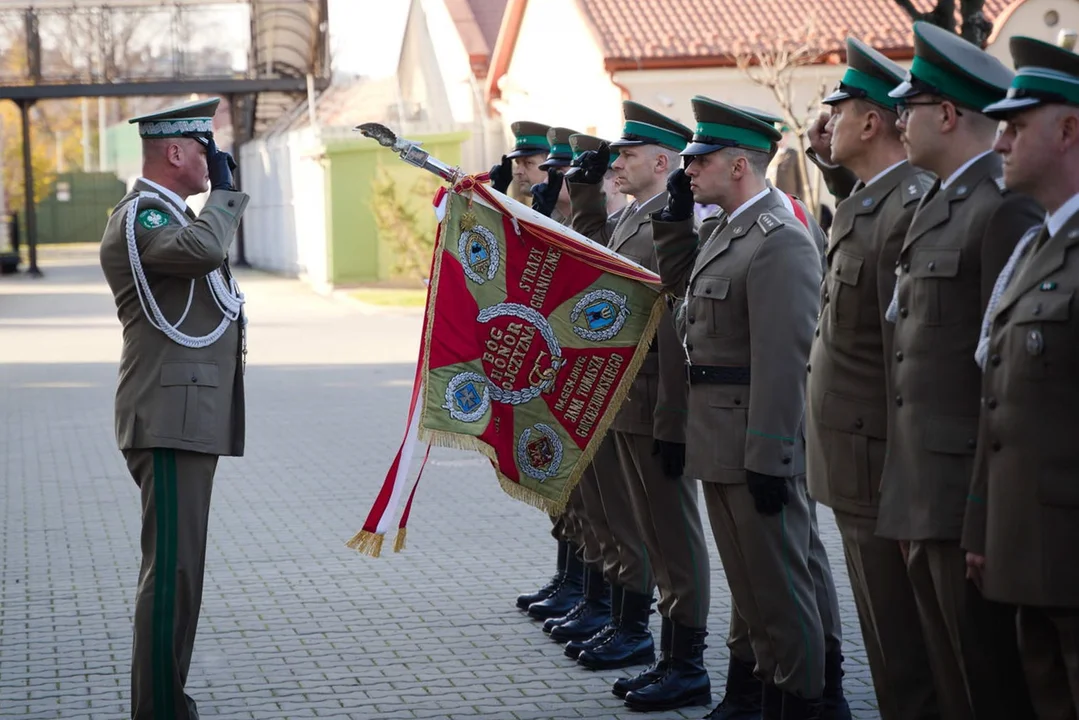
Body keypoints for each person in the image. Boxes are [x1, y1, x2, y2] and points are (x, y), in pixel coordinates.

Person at [650, 96, 842, 720]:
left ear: (738, 165)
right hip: (718, 438)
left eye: (699, 162)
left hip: (754, 445)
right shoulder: (724, 230)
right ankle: (765, 695)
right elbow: (683, 301)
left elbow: (786, 362)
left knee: (783, 593)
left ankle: (806, 705)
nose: (687, 171)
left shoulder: (779, 239)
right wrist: (675, 223)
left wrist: (770, 454)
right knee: (755, 594)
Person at [876, 21, 1042, 720]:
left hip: (959, 488)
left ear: (945, 114)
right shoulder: (940, 201)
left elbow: (995, 374)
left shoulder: (998, 208)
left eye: (907, 109)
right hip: (922, 479)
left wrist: (981, 509)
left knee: (982, 678)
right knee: (945, 669)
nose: (895, 123)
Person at [804, 37, 941, 720]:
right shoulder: (867, 198)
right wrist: (822, 163)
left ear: (871, 122)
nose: (824, 125)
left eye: (838, 111)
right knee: (886, 636)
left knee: (904, 642)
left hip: (882, 462)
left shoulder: (906, 205)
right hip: (856, 461)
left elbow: (906, 358)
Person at [98, 97, 248, 720]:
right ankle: (157, 709)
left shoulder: (167, 216)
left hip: (183, 417)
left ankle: (167, 701)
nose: (213, 159)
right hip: (165, 420)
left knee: (183, 574)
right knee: (171, 579)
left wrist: (216, 199)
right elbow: (202, 253)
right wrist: (226, 196)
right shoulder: (141, 221)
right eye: (205, 147)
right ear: (178, 152)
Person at [565, 102, 714, 711]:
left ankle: (685, 661)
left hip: (658, 401)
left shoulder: (681, 223)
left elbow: (681, 328)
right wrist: (582, 191)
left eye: (627, 155)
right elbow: (587, 259)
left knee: (674, 538)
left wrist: (674, 415)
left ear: (662, 161)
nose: (617, 163)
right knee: (637, 526)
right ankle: (633, 630)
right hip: (624, 397)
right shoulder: (631, 219)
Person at [963, 34, 1079, 719]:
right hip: (1027, 548)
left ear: (1068, 129)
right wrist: (983, 528)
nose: (999, 143)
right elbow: (1000, 399)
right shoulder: (1039, 245)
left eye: (1012, 126)